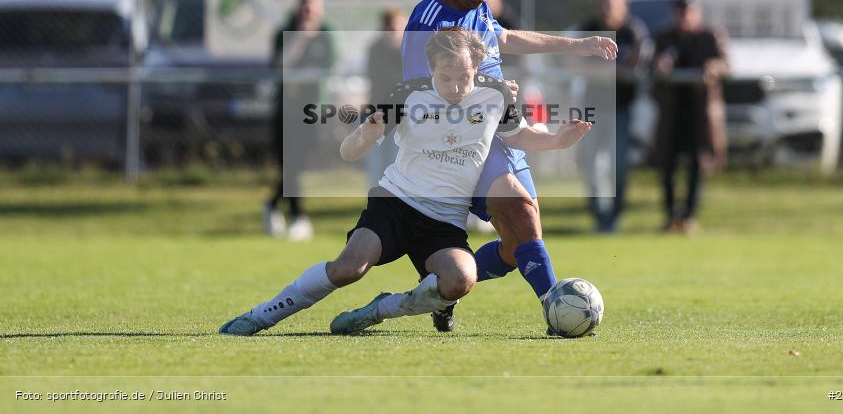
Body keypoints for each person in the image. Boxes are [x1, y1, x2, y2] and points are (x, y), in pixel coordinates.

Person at [219, 28, 592, 336]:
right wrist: (365, 136)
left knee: (461, 280)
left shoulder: (495, 94)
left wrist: (558, 140)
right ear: (431, 68)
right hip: (395, 203)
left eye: (463, 77)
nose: (455, 86)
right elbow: (349, 151)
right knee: (349, 268)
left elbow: (520, 135)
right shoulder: (408, 94)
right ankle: (262, 315)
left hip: (445, 220)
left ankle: (381, 309)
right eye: (445, 77)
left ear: (477, 66)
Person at [402, 0, 617, 331]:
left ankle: (440, 286)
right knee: (520, 212)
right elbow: (422, 97)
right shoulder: (428, 24)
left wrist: (573, 45)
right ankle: (556, 309)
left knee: (519, 241)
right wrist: (491, 93)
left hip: (504, 130)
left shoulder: (475, 6)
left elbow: (503, 38)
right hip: (466, 141)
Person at [651, 0, 729, 234]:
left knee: (698, 164)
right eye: (681, 13)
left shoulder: (710, 36)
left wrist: (712, 67)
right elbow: (650, 67)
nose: (685, 18)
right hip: (671, 112)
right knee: (667, 165)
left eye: (689, 12)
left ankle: (689, 216)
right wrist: (660, 64)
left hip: (700, 113)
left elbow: (726, 64)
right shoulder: (665, 38)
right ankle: (670, 216)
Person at [576, 0, 649, 233]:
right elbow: (576, 63)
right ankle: (599, 216)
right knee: (590, 163)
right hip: (591, 108)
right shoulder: (589, 29)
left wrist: (600, 70)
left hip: (621, 107)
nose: (608, 6)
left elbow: (634, 65)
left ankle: (613, 217)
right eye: (604, 1)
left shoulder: (633, 31)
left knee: (618, 165)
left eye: (613, 0)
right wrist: (609, 71)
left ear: (624, 4)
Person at [263, 0, 335, 241]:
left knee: (298, 163)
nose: (308, 13)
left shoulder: (326, 35)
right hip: (285, 109)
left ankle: (273, 205)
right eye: (305, 8)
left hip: (312, 110)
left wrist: (302, 77)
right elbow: (279, 66)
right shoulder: (285, 33)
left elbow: (330, 66)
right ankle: (297, 216)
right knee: (289, 163)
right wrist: (300, 41)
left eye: (313, 8)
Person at [363, 8, 404, 187]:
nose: (392, 32)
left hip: (403, 114)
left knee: (396, 162)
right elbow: (381, 79)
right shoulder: (376, 49)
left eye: (395, 28)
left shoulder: (409, 50)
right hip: (378, 111)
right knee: (376, 165)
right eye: (388, 27)